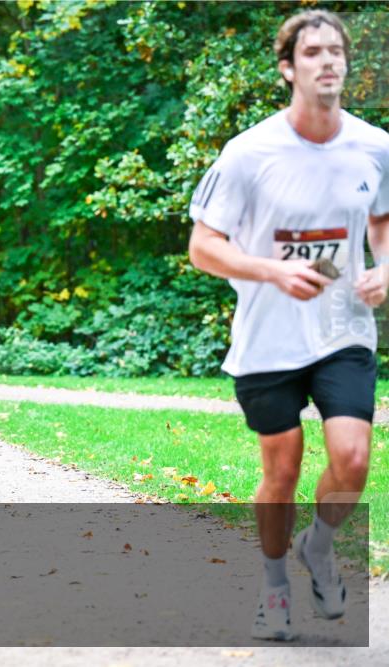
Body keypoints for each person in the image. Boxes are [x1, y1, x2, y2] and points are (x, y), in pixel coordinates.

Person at [188, 10, 389, 641]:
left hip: (343, 328)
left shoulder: (375, 146)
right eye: (313, 53)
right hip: (269, 335)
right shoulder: (249, 153)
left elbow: (382, 220)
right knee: (282, 470)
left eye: (336, 51)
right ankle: (274, 586)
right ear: (288, 68)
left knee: (352, 459)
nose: (328, 61)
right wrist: (270, 272)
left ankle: (320, 546)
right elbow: (203, 245)